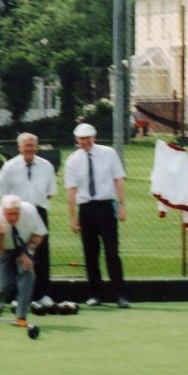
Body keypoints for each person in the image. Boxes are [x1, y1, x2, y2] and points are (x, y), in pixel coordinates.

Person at [64, 121, 129, 308]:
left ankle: (120, 295)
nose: (85, 142)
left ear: (94, 137)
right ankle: (95, 294)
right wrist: (73, 217)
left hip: (106, 207)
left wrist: (122, 206)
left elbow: (118, 180)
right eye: (81, 139)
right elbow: (71, 190)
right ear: (77, 140)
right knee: (90, 254)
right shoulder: (73, 160)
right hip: (86, 209)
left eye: (88, 138)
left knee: (112, 252)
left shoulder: (108, 153)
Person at [0, 131, 57, 307]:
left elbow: (50, 192)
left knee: (41, 253)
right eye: (26, 145)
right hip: (17, 213)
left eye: (32, 145)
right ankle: (18, 296)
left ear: (36, 147)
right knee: (18, 253)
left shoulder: (46, 166)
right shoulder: (9, 166)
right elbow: (1, 192)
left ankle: (42, 294)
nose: (29, 148)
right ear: (19, 147)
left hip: (39, 212)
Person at [0, 194, 47, 325]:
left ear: (20, 210)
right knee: (3, 284)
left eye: (16, 213)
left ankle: (21, 316)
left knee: (27, 274)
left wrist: (28, 253)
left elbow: (40, 233)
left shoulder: (30, 211)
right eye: (9, 214)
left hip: (23, 245)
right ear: (2, 211)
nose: (13, 217)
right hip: (2, 248)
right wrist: (1, 236)